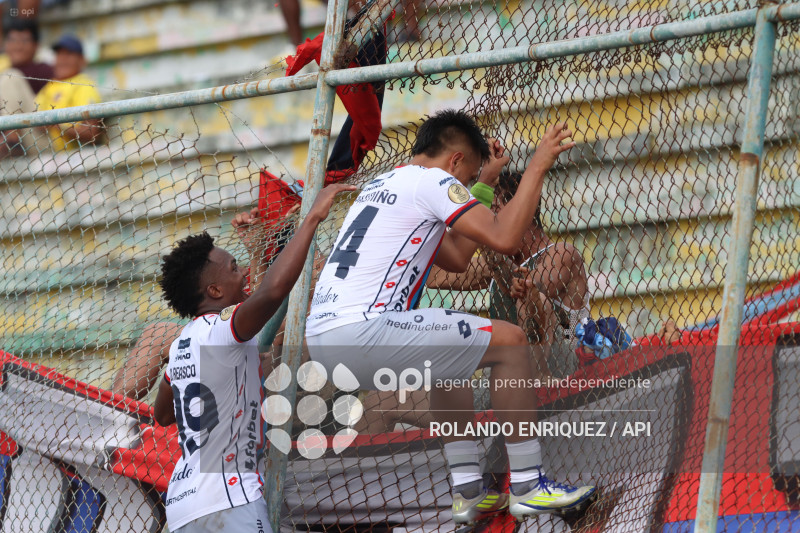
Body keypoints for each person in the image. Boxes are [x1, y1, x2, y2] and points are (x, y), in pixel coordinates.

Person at [305, 109, 596, 524]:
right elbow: (504, 236)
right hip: (366, 330)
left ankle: (469, 492)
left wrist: (487, 180)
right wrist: (537, 166)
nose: (465, 190)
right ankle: (529, 485)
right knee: (511, 342)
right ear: (455, 160)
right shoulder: (434, 182)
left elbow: (458, 257)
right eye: (468, 178)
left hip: (326, 338)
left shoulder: (384, 186)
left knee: (451, 357)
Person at [152, 183, 352, 533]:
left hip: (183, 507)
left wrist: (258, 251)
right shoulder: (223, 329)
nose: (242, 271)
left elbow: (163, 414)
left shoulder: (184, 343)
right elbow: (272, 291)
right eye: (233, 268)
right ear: (214, 291)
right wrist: (312, 218)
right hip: (229, 499)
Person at [35, 34, 103, 151]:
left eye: (69, 54)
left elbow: (92, 132)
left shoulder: (84, 84)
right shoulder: (49, 86)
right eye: (59, 54)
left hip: (59, 149)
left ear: (82, 60)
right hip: (39, 141)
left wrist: (57, 126)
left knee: (12, 79)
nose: (63, 59)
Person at [4, 19, 53, 94]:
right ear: (5, 44)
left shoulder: (44, 71)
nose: (18, 46)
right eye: (12, 40)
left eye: (24, 41)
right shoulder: (4, 69)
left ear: (36, 45)